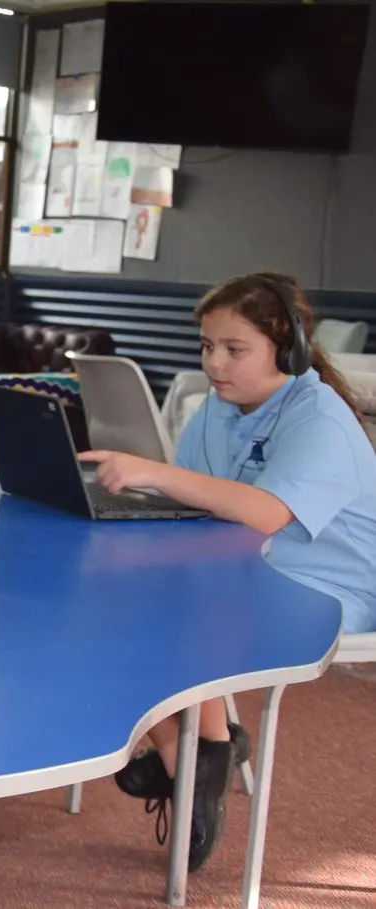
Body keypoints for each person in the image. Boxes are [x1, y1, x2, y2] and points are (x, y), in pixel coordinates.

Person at [79, 272, 376, 872]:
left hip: (329, 590)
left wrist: (154, 473)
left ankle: (198, 752)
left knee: (176, 606)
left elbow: (265, 512)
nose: (216, 363)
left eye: (234, 349)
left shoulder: (320, 419)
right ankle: (194, 753)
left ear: (285, 350)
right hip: (246, 569)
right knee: (123, 588)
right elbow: (197, 506)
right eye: (208, 346)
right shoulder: (219, 408)